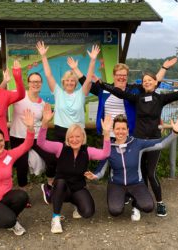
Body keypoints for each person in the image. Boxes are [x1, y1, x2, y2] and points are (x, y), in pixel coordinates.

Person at [98, 73, 178, 217]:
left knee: (151, 173)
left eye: (149, 80)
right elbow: (119, 93)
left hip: (154, 141)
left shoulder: (161, 99)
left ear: (155, 82)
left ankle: (159, 202)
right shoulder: (137, 98)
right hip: (137, 142)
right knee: (140, 173)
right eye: (144, 81)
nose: (146, 83)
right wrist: (102, 84)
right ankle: (137, 203)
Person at [85, 114, 178, 221]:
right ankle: (122, 197)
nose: (121, 131)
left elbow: (160, 144)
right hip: (116, 184)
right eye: (118, 128)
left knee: (148, 207)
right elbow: (100, 171)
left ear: (128, 130)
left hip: (136, 183)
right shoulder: (108, 148)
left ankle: (136, 205)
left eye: (123, 128)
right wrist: (94, 176)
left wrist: (175, 133)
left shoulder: (137, 143)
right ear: (113, 130)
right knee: (115, 211)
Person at [36, 41, 100, 203]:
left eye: (72, 81)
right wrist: (43, 56)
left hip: (79, 135)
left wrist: (92, 60)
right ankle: (51, 186)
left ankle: (76, 194)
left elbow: (87, 81)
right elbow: (49, 75)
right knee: (59, 164)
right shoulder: (57, 92)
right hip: (61, 132)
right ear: (63, 83)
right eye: (67, 81)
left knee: (78, 165)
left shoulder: (81, 93)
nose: (70, 83)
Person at [37, 105, 112, 234]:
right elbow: (41, 143)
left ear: (83, 138)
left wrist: (106, 134)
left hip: (77, 188)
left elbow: (105, 154)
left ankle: (76, 204)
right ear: (67, 138)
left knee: (88, 213)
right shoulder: (60, 148)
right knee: (60, 182)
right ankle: (55, 218)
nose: (74, 139)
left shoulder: (87, 151)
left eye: (78, 136)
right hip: (62, 189)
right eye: (71, 136)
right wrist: (44, 123)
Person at [69, 59, 177, 137]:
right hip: (108, 133)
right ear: (114, 76)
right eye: (119, 75)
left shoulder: (134, 90)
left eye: (124, 75)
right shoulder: (104, 88)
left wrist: (164, 67)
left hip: (129, 134)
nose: (122, 77)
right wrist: (75, 69)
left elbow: (153, 82)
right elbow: (86, 83)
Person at [6, 72, 57, 206]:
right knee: (22, 165)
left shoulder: (43, 104)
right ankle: (23, 193)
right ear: (28, 83)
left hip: (35, 137)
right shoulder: (18, 95)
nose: (35, 84)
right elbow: (1, 99)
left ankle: (50, 186)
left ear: (41, 84)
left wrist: (47, 119)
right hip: (18, 136)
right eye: (33, 81)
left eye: (38, 81)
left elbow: (42, 122)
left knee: (52, 158)